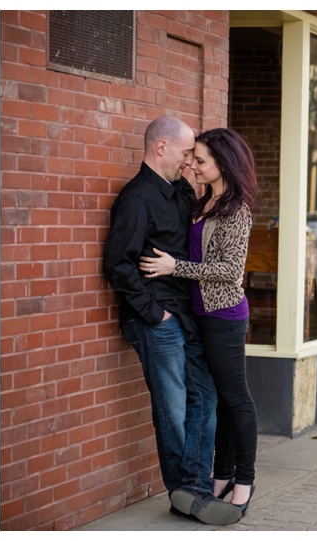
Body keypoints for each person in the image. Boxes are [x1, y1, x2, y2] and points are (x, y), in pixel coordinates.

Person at [103, 115, 242, 526]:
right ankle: (184, 491)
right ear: (160, 147)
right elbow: (117, 264)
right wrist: (153, 312)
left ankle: (195, 486)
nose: (189, 164)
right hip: (156, 318)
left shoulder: (182, 192)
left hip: (188, 313)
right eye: (185, 154)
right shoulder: (136, 198)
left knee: (206, 397)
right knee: (173, 403)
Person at [139, 128, 258, 520]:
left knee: (236, 398)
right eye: (193, 158)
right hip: (199, 316)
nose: (194, 164)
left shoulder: (237, 209)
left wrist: (177, 268)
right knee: (218, 400)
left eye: (201, 159)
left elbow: (230, 270)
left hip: (224, 317)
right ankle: (220, 475)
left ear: (223, 163)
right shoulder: (203, 201)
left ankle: (245, 480)